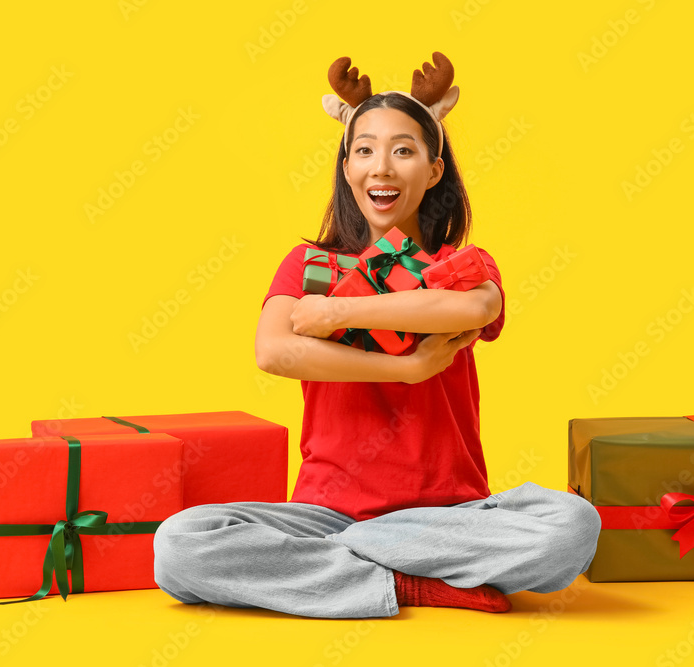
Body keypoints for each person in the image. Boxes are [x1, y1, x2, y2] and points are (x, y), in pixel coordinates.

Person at [152, 52, 601, 619]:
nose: (381, 167)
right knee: (178, 545)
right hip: (328, 512)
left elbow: (472, 305)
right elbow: (273, 351)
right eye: (363, 149)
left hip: (450, 514)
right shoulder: (310, 264)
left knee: (573, 528)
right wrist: (404, 368)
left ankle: (339, 569)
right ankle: (411, 583)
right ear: (346, 167)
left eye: (403, 150)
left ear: (434, 170)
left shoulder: (459, 263)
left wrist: (337, 317)